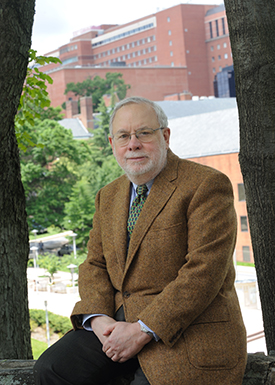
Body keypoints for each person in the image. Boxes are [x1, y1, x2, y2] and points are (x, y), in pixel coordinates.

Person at [34, 96, 247, 385]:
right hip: (116, 323)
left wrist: (142, 330)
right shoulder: (108, 196)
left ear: (165, 136)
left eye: (144, 133)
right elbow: (94, 264)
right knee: (52, 369)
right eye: (123, 136)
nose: (132, 143)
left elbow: (204, 272)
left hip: (185, 330)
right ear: (113, 144)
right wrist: (99, 320)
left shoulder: (206, 185)